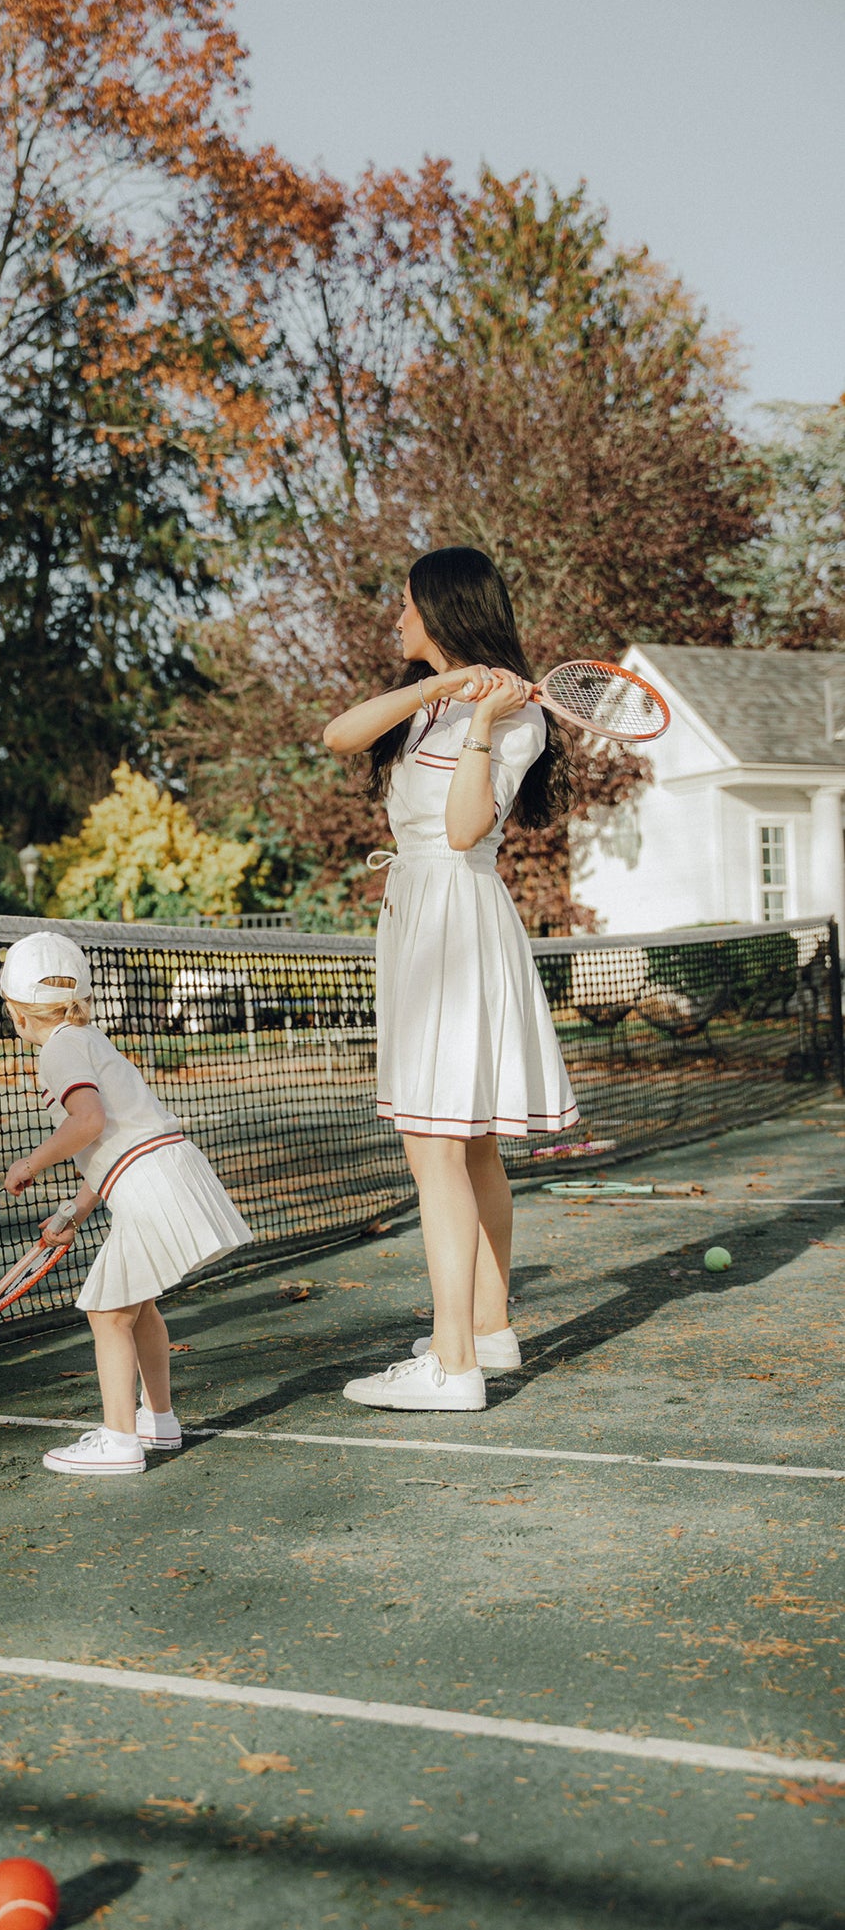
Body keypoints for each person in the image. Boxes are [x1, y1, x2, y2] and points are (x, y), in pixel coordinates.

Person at [322, 546, 577, 1412]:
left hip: (456, 925)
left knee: (438, 1151)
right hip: (415, 919)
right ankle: (491, 1332)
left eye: (405, 606)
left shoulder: (516, 721)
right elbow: (337, 734)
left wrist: (481, 723)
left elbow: (466, 827)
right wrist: (443, 688)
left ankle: (452, 1362)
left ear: (439, 609)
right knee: (464, 1147)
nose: (396, 620)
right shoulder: (433, 703)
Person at [0, 930, 253, 1475]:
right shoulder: (91, 1041)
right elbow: (112, 1138)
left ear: (17, 1014)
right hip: (166, 1171)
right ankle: (157, 1421)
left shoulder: (59, 1050)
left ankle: (118, 1441)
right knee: (137, 1307)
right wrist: (74, 1211)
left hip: (150, 1183)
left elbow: (86, 1121)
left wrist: (31, 1163)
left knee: (106, 1311)